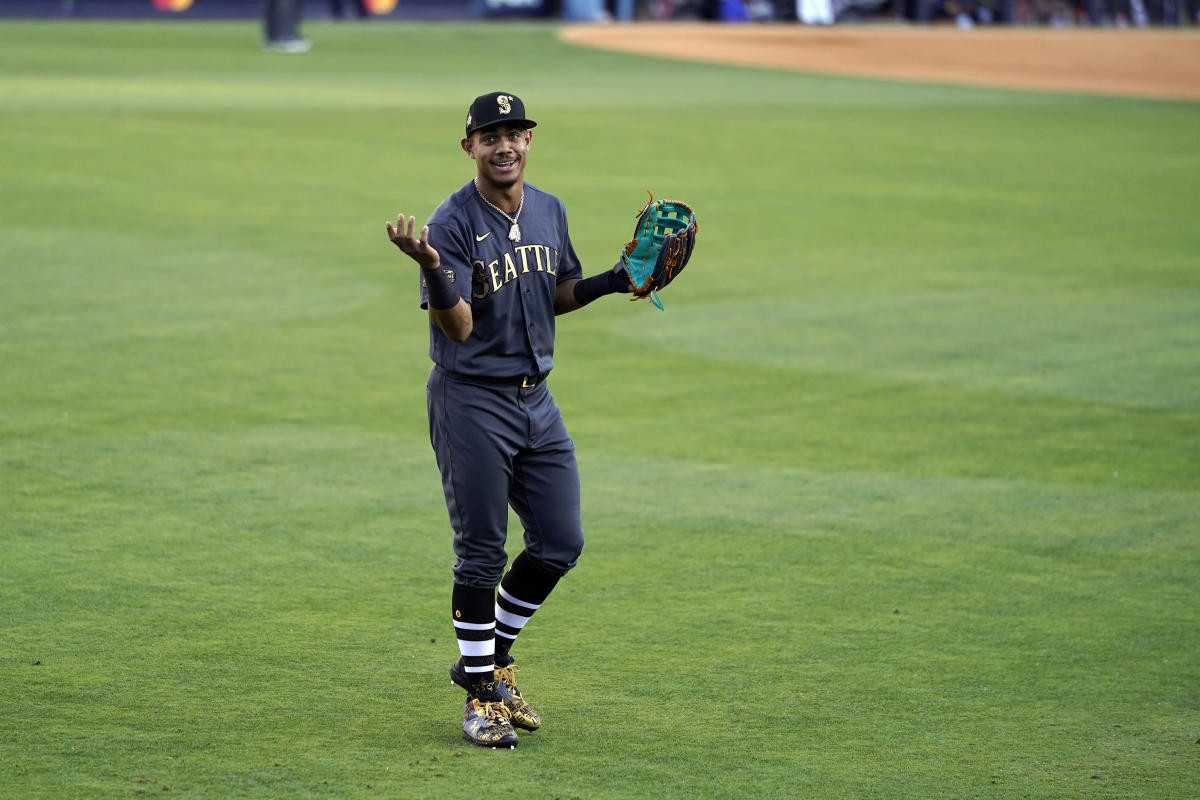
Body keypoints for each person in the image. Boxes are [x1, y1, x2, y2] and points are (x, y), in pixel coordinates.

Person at [385, 92, 634, 748]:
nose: (504, 145)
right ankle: (480, 700)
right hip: (472, 400)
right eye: (489, 135)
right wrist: (435, 270)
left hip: (537, 402)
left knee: (560, 541)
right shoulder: (452, 221)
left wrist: (617, 278)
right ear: (468, 145)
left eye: (515, 133)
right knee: (481, 552)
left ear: (530, 140)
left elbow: (556, 291)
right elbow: (460, 327)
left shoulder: (550, 209)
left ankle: (487, 660)